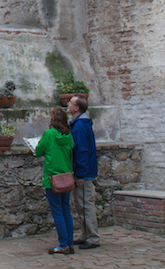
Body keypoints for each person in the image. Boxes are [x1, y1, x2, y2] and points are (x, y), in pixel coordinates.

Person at [34, 106, 75, 255]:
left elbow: (38, 151)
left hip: (53, 179)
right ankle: (69, 243)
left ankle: (63, 244)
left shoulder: (49, 134)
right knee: (66, 211)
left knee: (57, 213)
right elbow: (72, 150)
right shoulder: (69, 136)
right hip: (66, 176)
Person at [68, 95, 100, 249]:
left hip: (84, 172)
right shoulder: (78, 124)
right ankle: (85, 235)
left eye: (71, 103)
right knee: (81, 205)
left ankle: (93, 238)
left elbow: (81, 150)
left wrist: (80, 174)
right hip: (83, 170)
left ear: (76, 108)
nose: (68, 104)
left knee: (85, 205)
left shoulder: (80, 126)